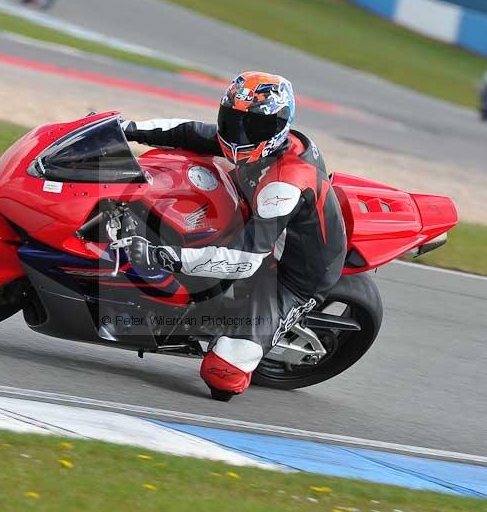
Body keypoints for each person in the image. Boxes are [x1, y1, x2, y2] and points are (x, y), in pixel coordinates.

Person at [123, 71, 347, 400]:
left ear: (279, 127)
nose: (240, 134)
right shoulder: (253, 142)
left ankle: (232, 336)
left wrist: (163, 257)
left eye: (253, 127)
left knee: (222, 378)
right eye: (232, 120)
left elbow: (245, 261)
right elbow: (188, 132)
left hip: (288, 275)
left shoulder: (284, 184)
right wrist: (127, 128)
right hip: (249, 224)